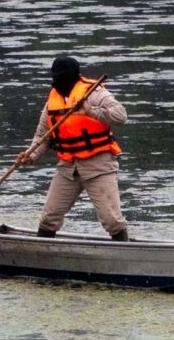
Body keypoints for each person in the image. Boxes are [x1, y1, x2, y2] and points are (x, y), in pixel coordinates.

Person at [28, 56, 126, 240]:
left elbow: (121, 115)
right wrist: (30, 156)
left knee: (112, 220)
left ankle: (125, 254)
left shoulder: (95, 93)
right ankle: (42, 253)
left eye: (62, 78)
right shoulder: (52, 101)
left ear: (75, 76)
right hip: (68, 168)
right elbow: (43, 135)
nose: (58, 82)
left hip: (99, 166)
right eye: (56, 78)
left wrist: (90, 111)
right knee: (49, 218)